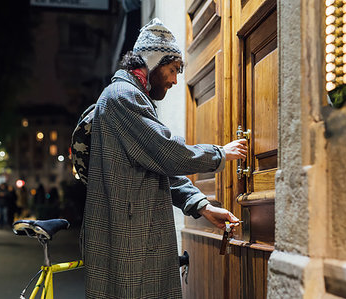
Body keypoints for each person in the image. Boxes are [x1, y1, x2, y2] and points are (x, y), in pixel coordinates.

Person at [82, 18, 247, 298]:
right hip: (128, 239)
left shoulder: (131, 96)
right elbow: (166, 152)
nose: (174, 80)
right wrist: (220, 154)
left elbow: (157, 168)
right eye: (172, 70)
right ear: (152, 62)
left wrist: (202, 206)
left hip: (134, 235)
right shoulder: (123, 97)